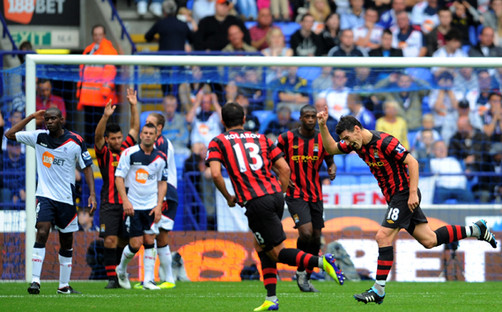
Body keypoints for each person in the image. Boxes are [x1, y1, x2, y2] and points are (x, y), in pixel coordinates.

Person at [316, 113, 497, 305]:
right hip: (394, 197)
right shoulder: (357, 143)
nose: (346, 143)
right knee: (430, 240)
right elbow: (331, 148)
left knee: (383, 236)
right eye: (344, 139)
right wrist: (322, 125)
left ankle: (378, 289)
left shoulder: (385, 142)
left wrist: (412, 193)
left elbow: (413, 162)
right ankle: (477, 230)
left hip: (404, 194)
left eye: (347, 138)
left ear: (357, 130)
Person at [206, 103, 344, 311]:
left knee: (278, 253)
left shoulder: (218, 142)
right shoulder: (261, 138)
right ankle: (271, 298)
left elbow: (215, 174)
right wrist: (278, 193)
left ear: (223, 122)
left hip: (256, 201)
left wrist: (228, 196)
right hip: (276, 196)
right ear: (244, 120)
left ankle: (322, 262)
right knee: (261, 246)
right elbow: (285, 168)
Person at [5, 107, 96, 295]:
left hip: (67, 199)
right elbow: (9, 134)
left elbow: (87, 167)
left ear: (62, 120)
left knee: (66, 241)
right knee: (43, 230)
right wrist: (31, 117)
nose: (49, 122)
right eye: (46, 119)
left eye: (53, 118)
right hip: (45, 196)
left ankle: (63, 285)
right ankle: (35, 282)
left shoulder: (76, 141)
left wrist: (92, 194)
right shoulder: (39, 137)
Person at [276, 105, 336, 293]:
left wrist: (332, 167)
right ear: (301, 118)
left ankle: (305, 276)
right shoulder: (286, 138)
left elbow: (330, 157)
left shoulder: (322, 138)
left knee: (316, 238)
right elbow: (272, 160)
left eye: (313, 117)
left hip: (316, 194)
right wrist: (283, 178)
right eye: (307, 116)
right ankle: (301, 271)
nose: (310, 119)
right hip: (295, 194)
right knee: (306, 233)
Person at [94, 88, 139, 289]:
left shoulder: (127, 150)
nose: (117, 141)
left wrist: (133, 105)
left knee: (122, 241)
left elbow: (135, 129)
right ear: (108, 139)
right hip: (108, 204)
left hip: (128, 203)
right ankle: (112, 279)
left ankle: (119, 274)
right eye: (113, 139)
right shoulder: (104, 153)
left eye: (119, 138)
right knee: (109, 240)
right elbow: (96, 137)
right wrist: (105, 117)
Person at [114, 123, 168, 291]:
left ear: (156, 136)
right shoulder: (129, 154)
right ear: (140, 135)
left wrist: (159, 205)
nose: (147, 135)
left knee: (150, 240)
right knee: (136, 244)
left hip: (151, 206)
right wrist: (125, 201)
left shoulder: (160, 158)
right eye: (145, 132)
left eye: (151, 133)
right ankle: (121, 269)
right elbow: (119, 178)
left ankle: (149, 281)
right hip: (134, 206)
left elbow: (162, 182)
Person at [144, 112, 179, 289]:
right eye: (146, 123)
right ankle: (168, 279)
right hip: (163, 192)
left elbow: (158, 170)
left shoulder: (161, 144)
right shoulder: (155, 143)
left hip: (164, 192)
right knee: (160, 236)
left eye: (150, 123)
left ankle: (149, 279)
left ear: (159, 128)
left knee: (151, 234)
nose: (147, 126)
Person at [77, 24, 118, 144]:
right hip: (88, 98)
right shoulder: (89, 50)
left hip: (102, 99)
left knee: (101, 129)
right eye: (95, 34)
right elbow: (82, 72)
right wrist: (79, 95)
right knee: (90, 129)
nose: (98, 37)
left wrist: (105, 92)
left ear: (104, 35)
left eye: (100, 34)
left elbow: (110, 71)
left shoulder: (108, 50)